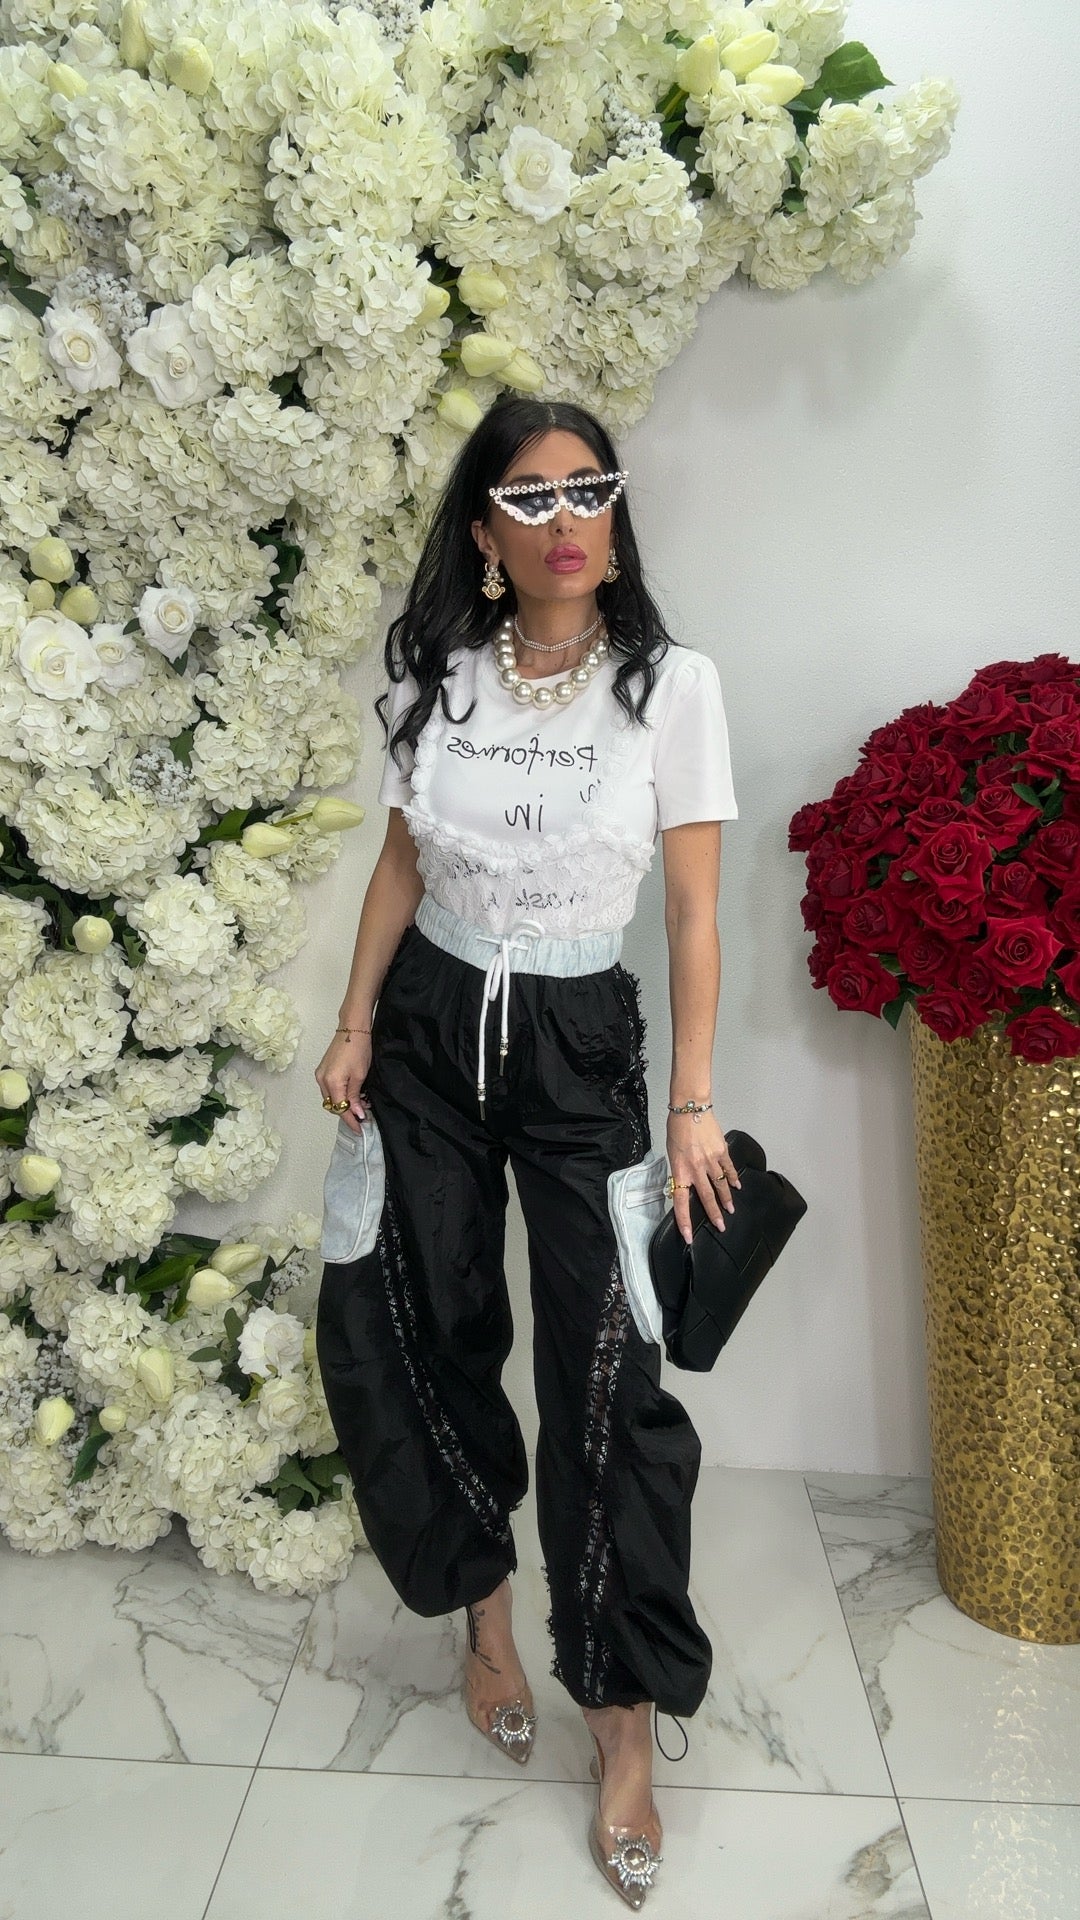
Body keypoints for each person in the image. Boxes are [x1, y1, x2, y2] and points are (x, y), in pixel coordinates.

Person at [314, 395, 739, 1909]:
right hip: (429, 1027)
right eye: (534, 497)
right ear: (486, 531)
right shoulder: (440, 672)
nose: (569, 522)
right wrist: (355, 1020)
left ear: (616, 513)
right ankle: (485, 1617)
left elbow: (690, 912)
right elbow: (398, 865)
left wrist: (691, 1102)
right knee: (426, 1320)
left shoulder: (672, 685)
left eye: (590, 490)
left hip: (577, 1043)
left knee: (608, 1372)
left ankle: (618, 1712)